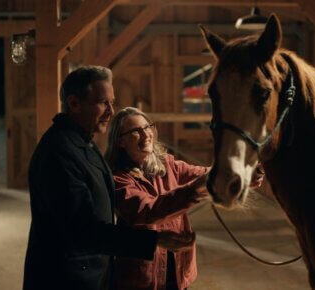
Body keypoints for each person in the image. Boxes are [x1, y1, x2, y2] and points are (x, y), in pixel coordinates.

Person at [23, 66, 195, 290]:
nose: (111, 111)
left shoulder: (83, 142)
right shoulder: (59, 153)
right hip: (67, 280)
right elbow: (84, 231)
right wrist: (155, 240)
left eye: (112, 103)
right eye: (104, 103)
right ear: (74, 103)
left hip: (89, 275)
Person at [105, 107, 211, 290]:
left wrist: (243, 173)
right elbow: (148, 209)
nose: (146, 134)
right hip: (142, 278)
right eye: (136, 131)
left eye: (148, 127)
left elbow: (204, 174)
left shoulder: (168, 164)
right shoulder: (118, 178)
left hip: (178, 272)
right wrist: (193, 190)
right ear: (121, 141)